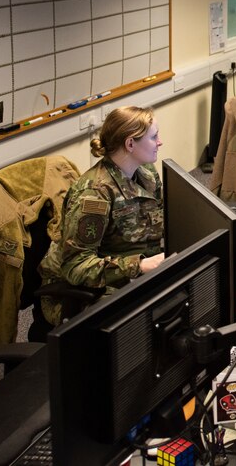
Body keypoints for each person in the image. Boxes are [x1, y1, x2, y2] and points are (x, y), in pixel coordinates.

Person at [39, 105, 165, 325]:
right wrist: (138, 266)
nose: (160, 142)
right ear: (130, 144)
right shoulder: (94, 195)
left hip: (133, 264)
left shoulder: (146, 172)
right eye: (154, 137)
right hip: (89, 287)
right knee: (143, 323)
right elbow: (76, 266)